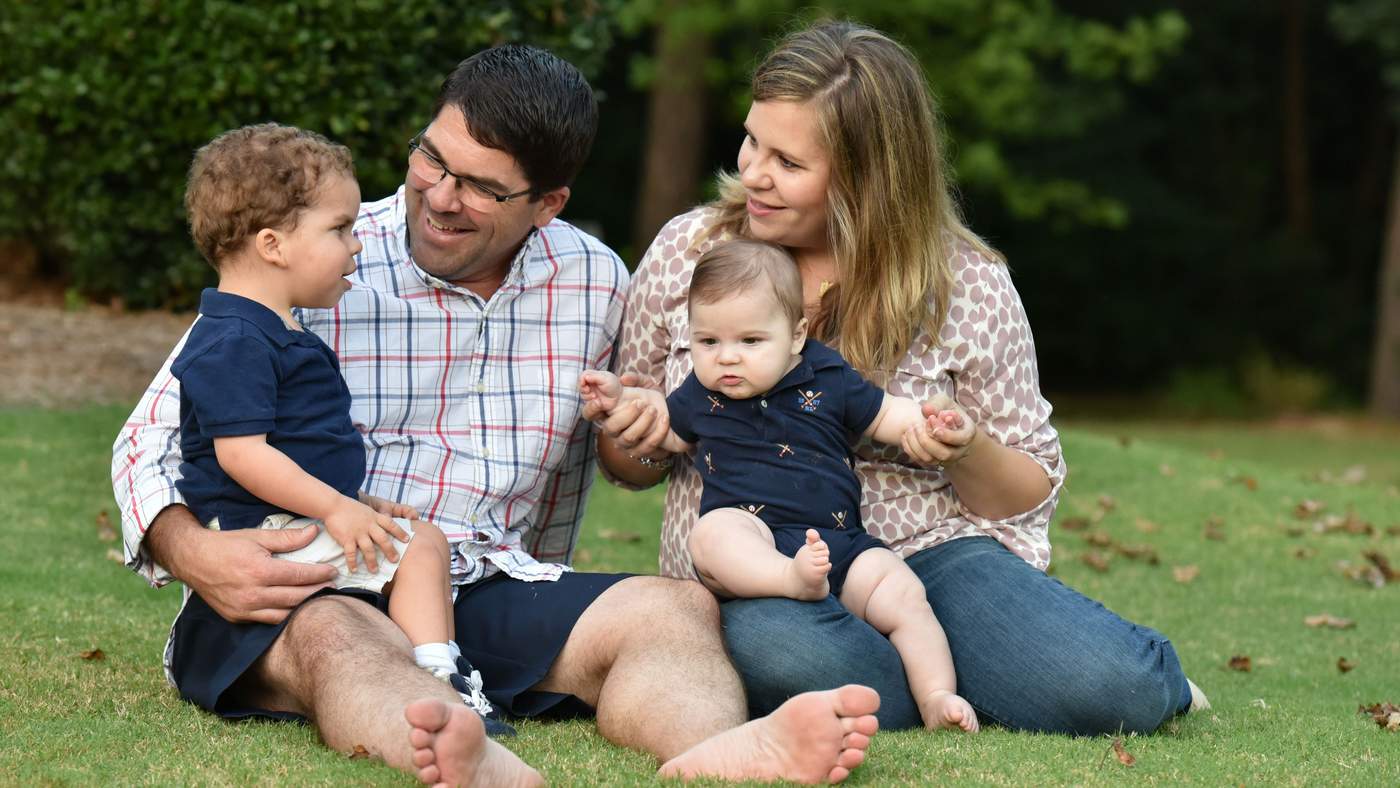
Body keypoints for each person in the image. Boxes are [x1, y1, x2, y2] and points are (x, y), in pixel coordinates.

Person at [113, 45, 878, 786]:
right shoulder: (315, 259)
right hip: (312, 579)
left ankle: (722, 751)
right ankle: (462, 748)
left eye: (481, 186)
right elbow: (145, 443)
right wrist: (194, 554)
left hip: (484, 581)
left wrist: (638, 430)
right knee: (339, 634)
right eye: (432, 159)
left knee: (671, 608)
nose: (440, 195)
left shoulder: (592, 283)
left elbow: (636, 451)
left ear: (548, 204)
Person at [590, 20, 1210, 735]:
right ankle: (937, 682)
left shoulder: (966, 284)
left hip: (930, 556)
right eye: (752, 140)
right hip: (761, 564)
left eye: (788, 162)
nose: (753, 172)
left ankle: (945, 667)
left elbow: (1026, 485)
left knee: (1115, 687)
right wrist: (634, 432)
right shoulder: (691, 252)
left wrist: (963, 446)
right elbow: (628, 466)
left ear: (867, 178)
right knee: (789, 658)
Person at [170, 122, 500, 730]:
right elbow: (242, 457)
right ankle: (440, 678)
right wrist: (336, 509)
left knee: (415, 540)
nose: (358, 246)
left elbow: (301, 448)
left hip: (292, 515)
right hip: (263, 532)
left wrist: (359, 501)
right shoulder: (235, 341)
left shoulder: (277, 328)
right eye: (339, 230)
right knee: (423, 548)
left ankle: (427, 672)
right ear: (273, 245)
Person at [582, 238, 979, 732]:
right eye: (708, 342)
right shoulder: (701, 394)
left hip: (840, 543)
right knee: (713, 534)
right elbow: (659, 427)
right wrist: (620, 403)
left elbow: (889, 417)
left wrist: (932, 424)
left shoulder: (829, 376)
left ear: (796, 335)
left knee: (904, 594)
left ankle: (937, 695)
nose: (727, 359)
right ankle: (789, 581)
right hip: (756, 540)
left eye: (750, 342)